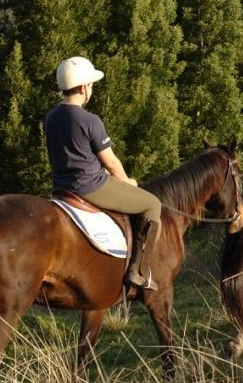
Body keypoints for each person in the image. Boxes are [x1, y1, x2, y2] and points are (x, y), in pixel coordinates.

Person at [44, 56, 162, 290]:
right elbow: (111, 163)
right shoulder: (90, 120)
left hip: (61, 187)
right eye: (91, 85)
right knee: (152, 205)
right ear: (83, 87)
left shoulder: (51, 118)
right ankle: (139, 270)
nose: (91, 89)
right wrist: (128, 183)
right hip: (91, 186)